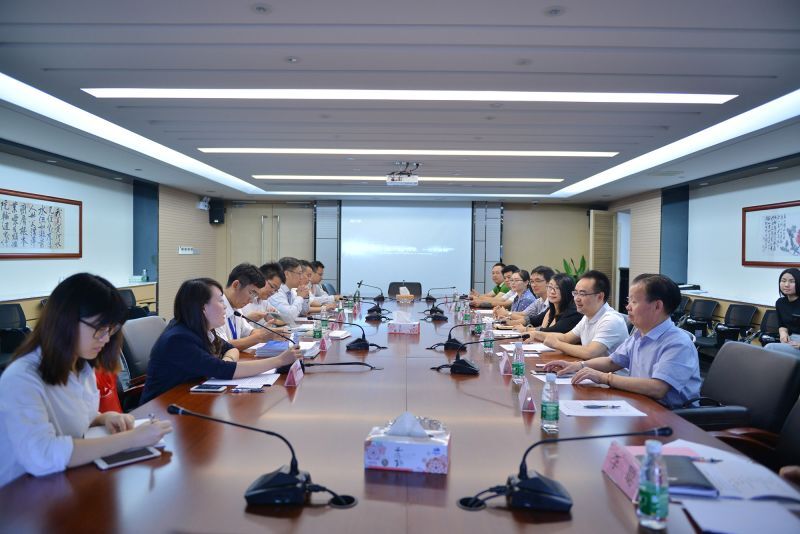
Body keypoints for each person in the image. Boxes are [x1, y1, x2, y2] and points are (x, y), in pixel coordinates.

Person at [0, 273, 172, 487]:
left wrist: (103, 418)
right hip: (21, 492)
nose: (106, 339)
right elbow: (43, 456)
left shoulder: (81, 366)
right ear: (66, 320)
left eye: (111, 330)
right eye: (100, 329)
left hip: (63, 482)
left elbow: (75, 415)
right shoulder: (22, 378)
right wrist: (131, 439)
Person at [544, 274, 701, 409]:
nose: (628, 307)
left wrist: (605, 378)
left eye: (634, 302)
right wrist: (578, 366)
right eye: (628, 301)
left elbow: (657, 388)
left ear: (657, 306)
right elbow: (612, 361)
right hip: (640, 403)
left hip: (672, 416)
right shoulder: (639, 335)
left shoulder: (677, 343)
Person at [140, 278, 301, 404]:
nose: (224, 307)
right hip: (163, 408)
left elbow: (231, 349)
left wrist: (227, 361)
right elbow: (223, 370)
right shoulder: (179, 339)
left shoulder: (202, 329)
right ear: (202, 308)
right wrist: (279, 360)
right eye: (220, 301)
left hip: (189, 397)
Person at [531, 270, 628, 360]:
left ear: (600, 296)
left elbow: (590, 352)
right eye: (576, 293)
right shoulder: (587, 316)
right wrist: (535, 334)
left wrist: (557, 344)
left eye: (582, 294)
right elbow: (567, 338)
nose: (576, 299)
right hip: (589, 369)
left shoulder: (611, 320)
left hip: (609, 372)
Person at [215, 263, 279, 351]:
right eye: (252, 293)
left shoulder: (237, 308)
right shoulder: (215, 308)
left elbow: (250, 332)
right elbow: (221, 346)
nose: (251, 300)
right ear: (236, 285)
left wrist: (269, 332)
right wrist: (260, 336)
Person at [765, 268, 800, 356]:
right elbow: (782, 325)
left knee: (770, 348)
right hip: (791, 341)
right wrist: (783, 333)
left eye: (792, 281)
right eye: (783, 281)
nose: (786, 285)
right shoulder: (780, 303)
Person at [268, 257, 309, 325]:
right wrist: (300, 297)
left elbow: (303, 312)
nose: (301, 277)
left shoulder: (290, 291)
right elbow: (289, 317)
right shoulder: (276, 292)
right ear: (287, 274)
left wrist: (305, 297)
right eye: (299, 273)